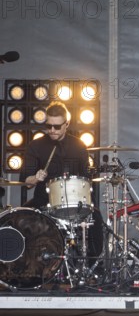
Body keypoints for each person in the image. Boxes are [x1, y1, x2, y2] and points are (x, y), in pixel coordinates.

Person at [21, 101, 104, 258]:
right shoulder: (35, 146)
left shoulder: (79, 146)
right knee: (19, 220)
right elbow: (26, 182)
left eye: (57, 127)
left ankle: (92, 267)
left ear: (67, 124)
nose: (52, 130)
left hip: (75, 201)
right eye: (48, 126)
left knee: (97, 218)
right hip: (43, 201)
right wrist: (36, 177)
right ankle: (30, 268)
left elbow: (86, 179)